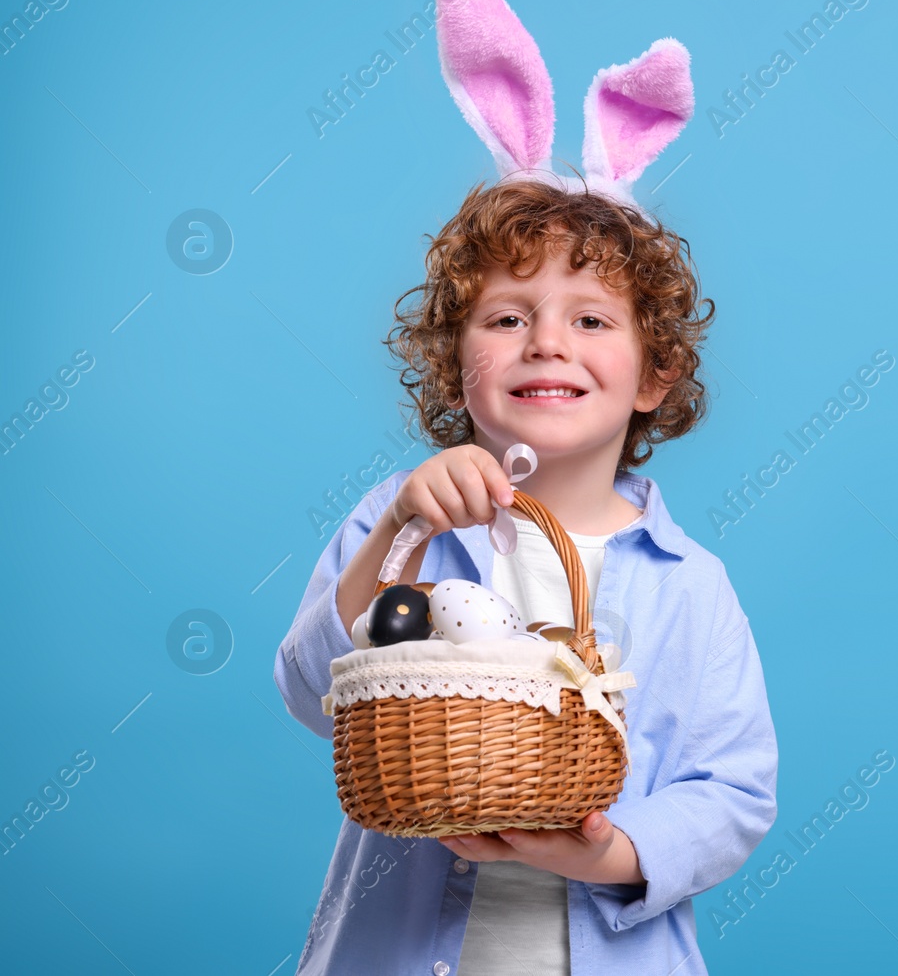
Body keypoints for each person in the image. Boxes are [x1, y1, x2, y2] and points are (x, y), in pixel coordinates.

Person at [274, 169, 779, 974]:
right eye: (507, 317)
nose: (547, 342)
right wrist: (402, 526)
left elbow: (734, 790)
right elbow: (314, 694)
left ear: (655, 376)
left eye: (590, 318)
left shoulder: (689, 583)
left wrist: (608, 852)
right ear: (455, 366)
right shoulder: (399, 521)